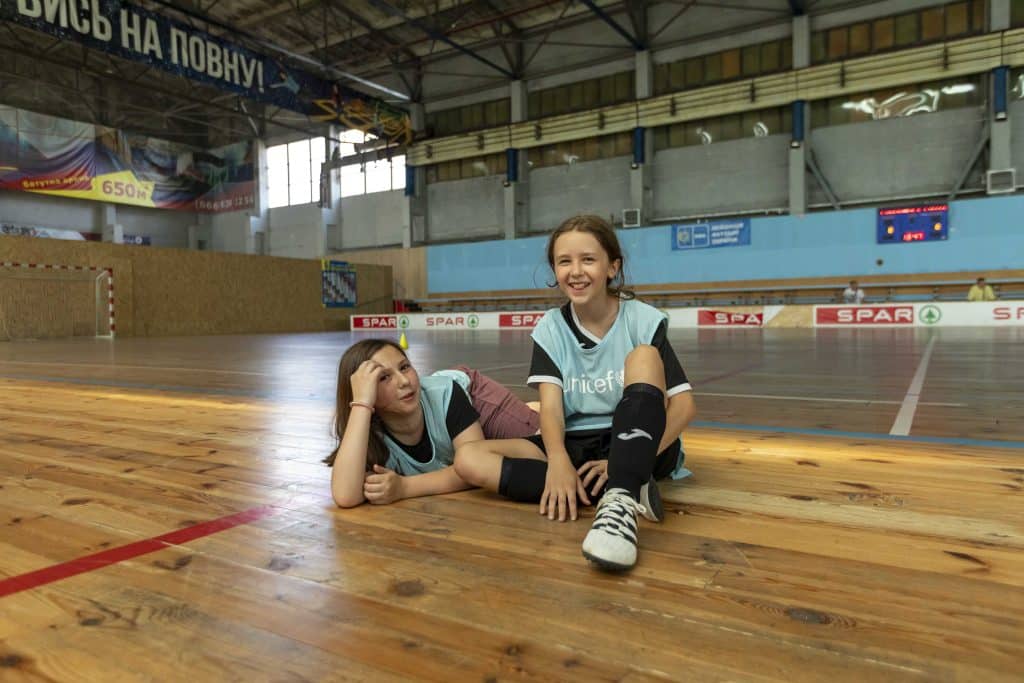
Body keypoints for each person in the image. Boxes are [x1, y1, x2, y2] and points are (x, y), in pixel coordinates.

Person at [454, 214, 696, 571]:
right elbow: (550, 411)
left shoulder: (642, 319)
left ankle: (621, 492)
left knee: (644, 356)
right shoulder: (550, 328)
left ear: (613, 267)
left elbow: (684, 405)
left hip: (635, 436)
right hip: (574, 444)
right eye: (564, 261)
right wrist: (557, 461)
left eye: (588, 259)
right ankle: (625, 487)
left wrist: (626, 459)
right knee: (468, 459)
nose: (576, 271)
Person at [325, 338, 539, 508]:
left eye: (405, 367)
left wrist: (404, 487)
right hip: (455, 435)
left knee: (542, 447)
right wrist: (362, 404)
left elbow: (474, 470)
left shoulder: (446, 394)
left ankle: (533, 410)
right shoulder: (366, 427)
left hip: (475, 399)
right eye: (384, 378)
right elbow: (345, 496)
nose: (404, 381)